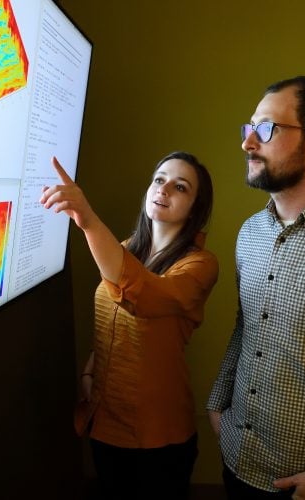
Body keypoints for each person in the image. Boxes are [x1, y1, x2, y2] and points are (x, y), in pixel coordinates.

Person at [41, 151, 219, 499]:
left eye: (180, 186)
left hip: (159, 435)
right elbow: (112, 315)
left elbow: (144, 296)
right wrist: (91, 371)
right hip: (106, 422)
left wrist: (87, 218)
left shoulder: (201, 265)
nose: (164, 189)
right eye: (159, 179)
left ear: (196, 208)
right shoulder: (124, 249)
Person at [207, 75, 305, 500]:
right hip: (238, 459)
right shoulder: (250, 233)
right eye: (249, 129)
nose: (248, 143)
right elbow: (246, 329)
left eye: (266, 129)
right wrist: (218, 401)